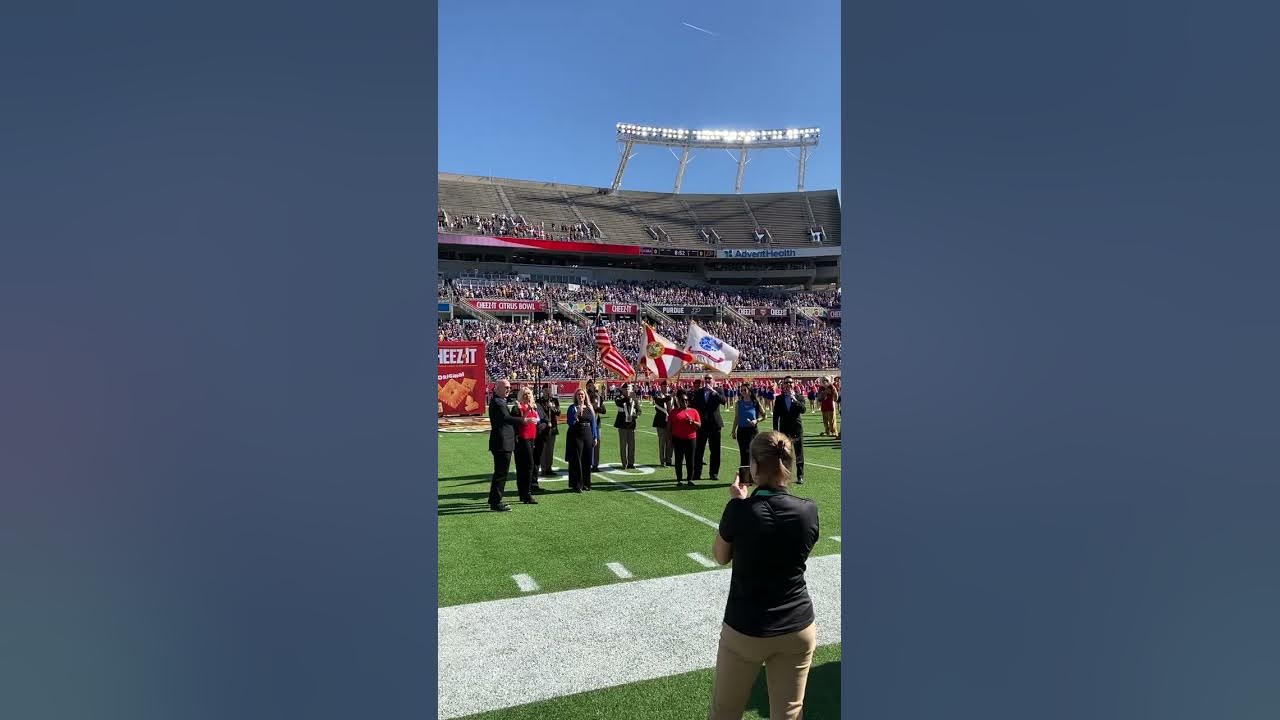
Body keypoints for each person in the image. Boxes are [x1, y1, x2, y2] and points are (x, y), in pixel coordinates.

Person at [708, 431, 819, 720]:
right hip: (797, 624)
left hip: (747, 625)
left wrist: (738, 503)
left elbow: (720, 556)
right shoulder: (809, 510)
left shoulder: (740, 510)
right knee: (789, 714)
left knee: (725, 711)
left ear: (754, 466)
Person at [488, 379, 536, 511]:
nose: (509, 389)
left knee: (500, 472)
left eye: (509, 387)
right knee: (501, 473)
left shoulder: (499, 401)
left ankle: (493, 499)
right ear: (497, 388)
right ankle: (496, 502)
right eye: (506, 387)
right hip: (502, 442)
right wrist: (524, 420)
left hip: (503, 441)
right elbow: (506, 418)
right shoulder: (498, 402)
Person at [771, 376, 807, 485]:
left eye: (790, 383)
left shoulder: (799, 397)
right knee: (784, 453)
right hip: (784, 430)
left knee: (799, 453)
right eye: (786, 383)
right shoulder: (779, 399)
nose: (788, 384)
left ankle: (800, 476)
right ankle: (785, 476)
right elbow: (775, 416)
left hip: (796, 429)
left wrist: (794, 400)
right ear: (783, 385)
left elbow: (803, 410)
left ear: (793, 384)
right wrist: (775, 431)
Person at [691, 373, 726, 482]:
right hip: (701, 425)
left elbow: (723, 401)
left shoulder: (718, 391)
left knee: (715, 450)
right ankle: (697, 473)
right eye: (705, 379)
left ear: (713, 380)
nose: (707, 380)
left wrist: (713, 392)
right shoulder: (699, 392)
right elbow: (693, 406)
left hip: (715, 425)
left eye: (709, 378)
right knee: (698, 450)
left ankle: (714, 473)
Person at [565, 388, 599, 492]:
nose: (581, 396)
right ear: (575, 396)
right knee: (577, 460)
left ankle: (586, 483)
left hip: (587, 434)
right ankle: (577, 484)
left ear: (585, 396)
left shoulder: (589, 407)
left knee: (587, 459)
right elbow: (570, 422)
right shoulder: (572, 408)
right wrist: (577, 413)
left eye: (582, 394)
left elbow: (593, 423)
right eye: (579, 394)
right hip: (576, 435)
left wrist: (595, 436)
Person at [668, 390, 701, 487]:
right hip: (677, 439)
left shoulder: (693, 411)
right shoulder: (674, 412)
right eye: (683, 400)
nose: (685, 402)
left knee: (690, 460)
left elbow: (699, 426)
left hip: (691, 439)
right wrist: (669, 440)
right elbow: (669, 427)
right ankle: (679, 479)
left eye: (686, 400)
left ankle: (690, 479)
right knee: (678, 460)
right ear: (678, 400)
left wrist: (692, 422)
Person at [513, 388, 540, 505]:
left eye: (529, 393)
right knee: (528, 466)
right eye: (524, 394)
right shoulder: (518, 407)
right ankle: (527, 493)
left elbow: (538, 419)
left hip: (532, 438)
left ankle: (523, 494)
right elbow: (517, 421)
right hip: (523, 438)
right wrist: (527, 413)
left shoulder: (533, 406)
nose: (527, 396)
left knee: (526, 467)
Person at [731, 383, 766, 469]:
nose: (742, 392)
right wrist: (733, 430)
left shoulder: (755, 402)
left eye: (745, 390)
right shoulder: (738, 403)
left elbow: (765, 416)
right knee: (743, 454)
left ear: (750, 391)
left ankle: (754, 475)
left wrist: (756, 420)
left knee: (753, 454)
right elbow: (737, 417)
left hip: (753, 431)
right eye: (741, 390)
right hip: (741, 431)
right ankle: (744, 478)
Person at [534, 383, 560, 479]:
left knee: (550, 449)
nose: (547, 392)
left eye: (548, 390)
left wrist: (552, 407)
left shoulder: (554, 400)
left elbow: (558, 412)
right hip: (543, 428)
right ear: (542, 391)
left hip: (552, 428)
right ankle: (543, 468)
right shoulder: (539, 401)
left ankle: (549, 468)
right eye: (545, 390)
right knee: (543, 449)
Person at [614, 382, 641, 469]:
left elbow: (639, 410)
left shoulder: (634, 399)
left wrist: (635, 416)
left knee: (632, 445)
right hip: (622, 425)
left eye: (628, 389)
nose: (627, 390)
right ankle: (624, 463)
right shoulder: (619, 398)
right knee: (623, 445)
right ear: (622, 390)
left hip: (631, 425)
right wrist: (628, 398)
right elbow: (619, 403)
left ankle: (631, 463)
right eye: (625, 389)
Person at [652, 381, 673, 466]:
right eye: (663, 386)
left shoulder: (670, 396)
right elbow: (660, 401)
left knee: (670, 443)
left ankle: (669, 460)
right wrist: (670, 397)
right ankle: (662, 461)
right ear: (660, 387)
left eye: (666, 386)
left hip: (670, 423)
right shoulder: (657, 396)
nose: (665, 387)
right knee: (662, 442)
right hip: (661, 422)